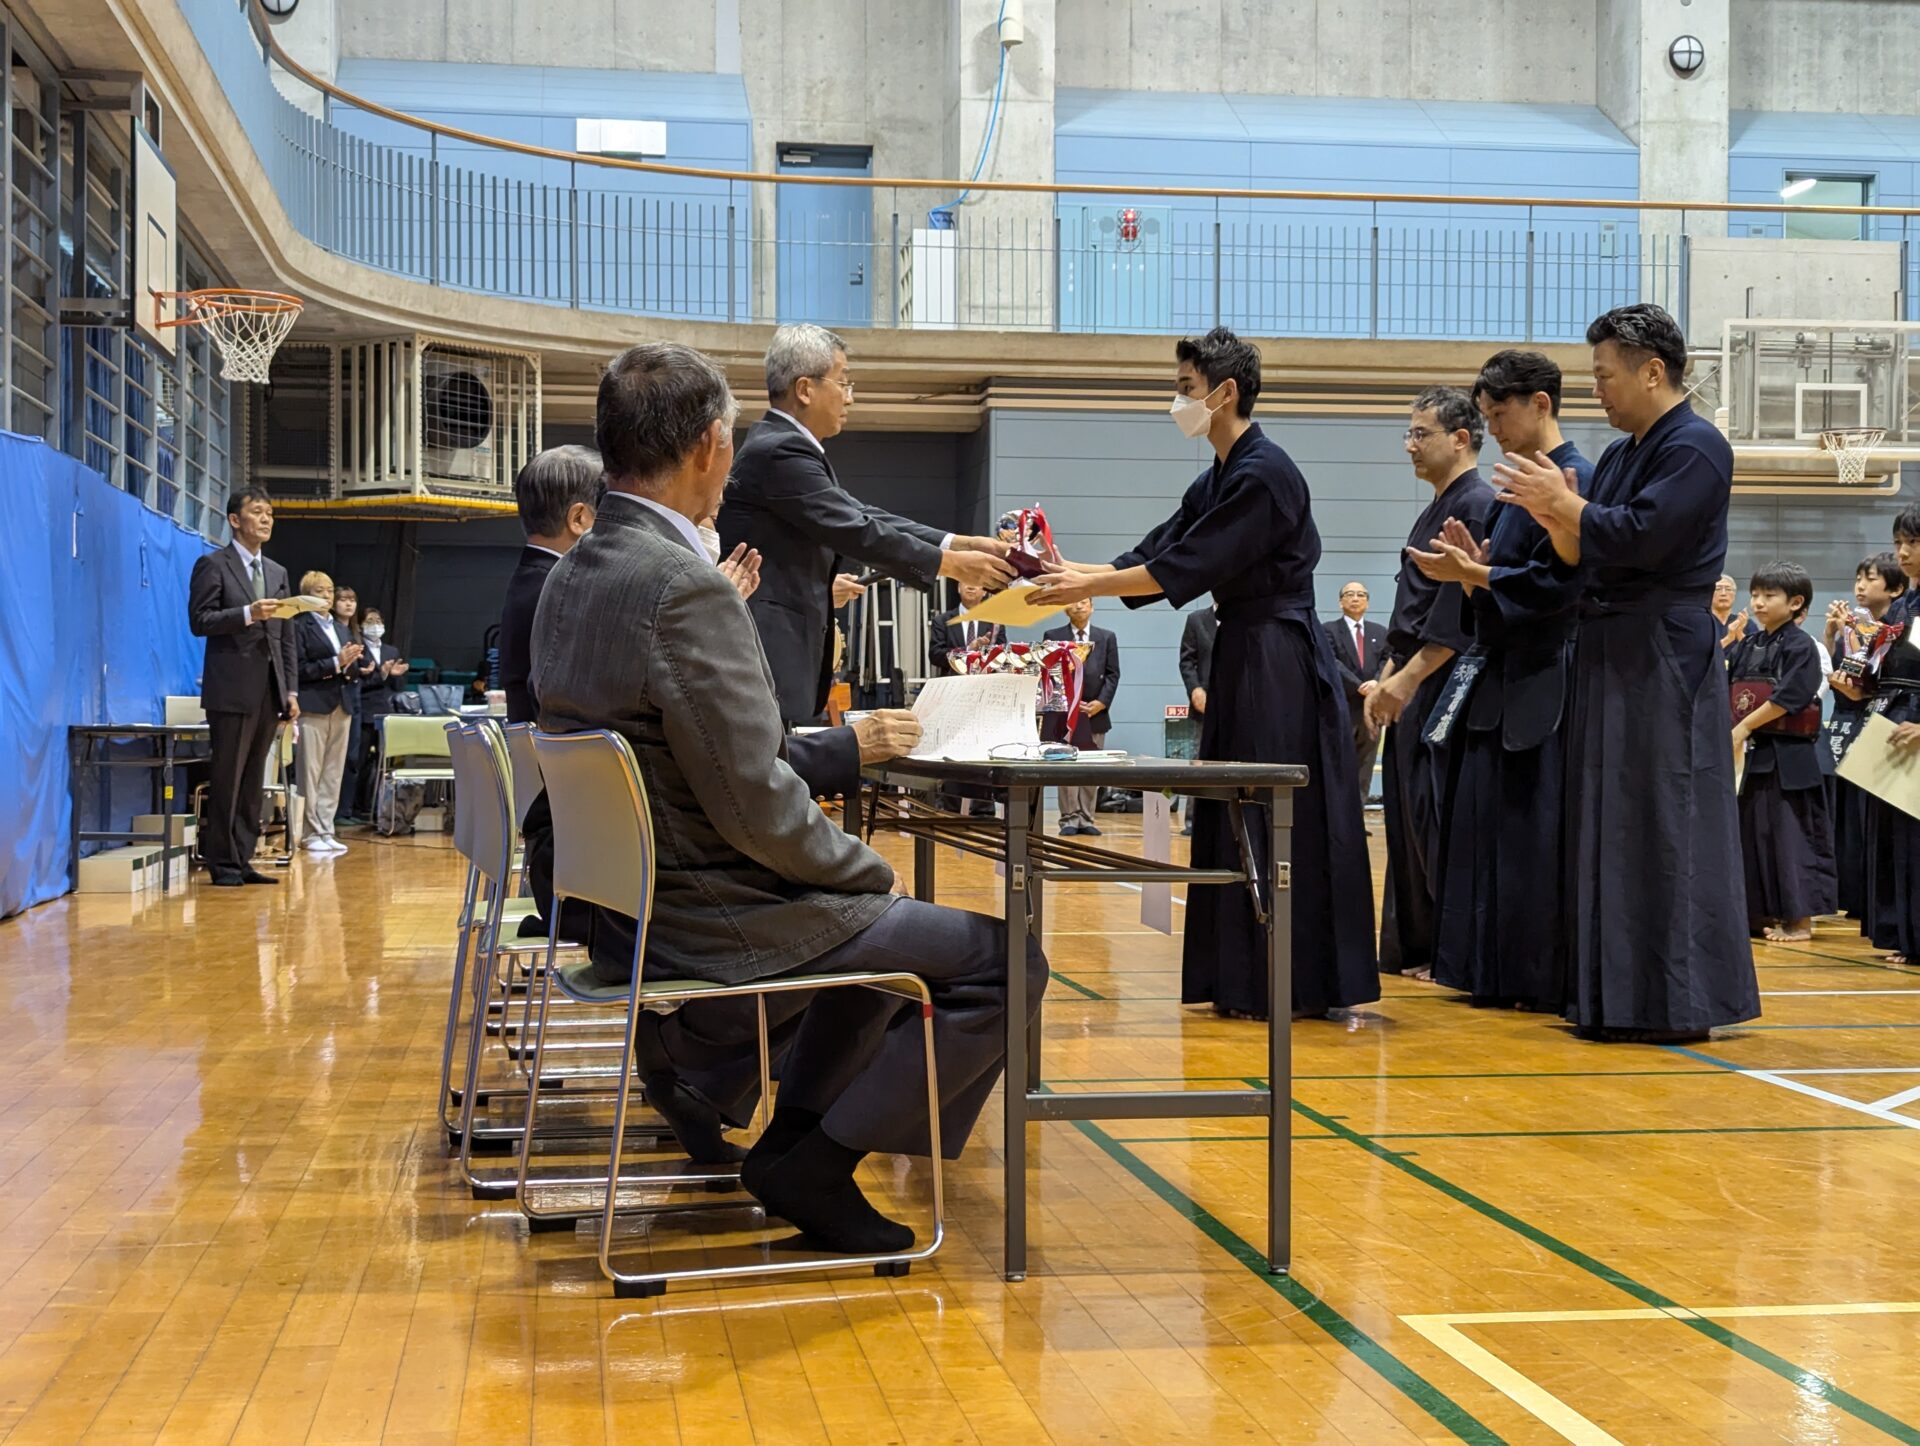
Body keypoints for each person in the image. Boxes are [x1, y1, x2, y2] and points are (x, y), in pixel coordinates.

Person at [532, 341, 1046, 1252]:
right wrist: (868, 868)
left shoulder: (569, 575)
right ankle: (811, 1155)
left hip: (625, 906)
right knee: (1005, 960)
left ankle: (783, 1134)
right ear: (710, 449)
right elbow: (757, 802)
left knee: (874, 930)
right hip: (715, 912)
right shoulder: (685, 587)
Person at [1029, 327, 1378, 1021]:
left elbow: (1178, 569)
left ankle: (1291, 979)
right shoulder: (1216, 476)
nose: (1177, 401)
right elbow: (1158, 547)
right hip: (1243, 651)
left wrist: (1081, 579)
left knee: (1271, 808)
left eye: (1186, 388)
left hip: (1278, 655)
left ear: (1225, 392)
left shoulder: (1265, 472)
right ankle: (1239, 975)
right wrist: (1075, 574)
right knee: (1231, 805)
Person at [1493, 302, 1759, 1042]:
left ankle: (1673, 999)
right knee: (1610, 822)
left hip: (1664, 651)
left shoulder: (1698, 446)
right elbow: (1585, 554)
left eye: (1606, 376)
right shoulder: (1620, 455)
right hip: (1612, 647)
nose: (1598, 391)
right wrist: (1554, 517)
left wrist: (1568, 506)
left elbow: (1643, 538)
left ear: (1652, 370)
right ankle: (1616, 995)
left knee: (1664, 820)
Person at [1409, 350, 1593, 1011]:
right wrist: (1476, 572)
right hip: (1499, 676)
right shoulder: (1518, 487)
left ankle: (1533, 976)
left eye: (1500, 415)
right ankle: (1490, 969)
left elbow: (1562, 589)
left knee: (1531, 833)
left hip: (1545, 679)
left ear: (1539, 405)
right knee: (1486, 828)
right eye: (1485, 416)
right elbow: (1507, 583)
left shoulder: (1572, 479)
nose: (1496, 429)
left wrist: (1479, 575)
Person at [719, 323, 1015, 722]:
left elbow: (861, 513)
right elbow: (854, 528)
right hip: (770, 647)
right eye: (843, 383)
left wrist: (958, 543)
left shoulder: (785, 447)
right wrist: (952, 565)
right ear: (805, 389)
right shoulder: (779, 450)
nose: (850, 397)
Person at [1364, 387, 1496, 980]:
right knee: (1409, 818)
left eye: (1422, 433)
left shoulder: (1475, 502)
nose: (1409, 444)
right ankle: (1416, 946)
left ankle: (1448, 951)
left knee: (1437, 816)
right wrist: (1387, 677)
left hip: (1444, 683)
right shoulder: (1439, 502)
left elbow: (1456, 614)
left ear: (1461, 439)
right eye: (1409, 432)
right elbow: (1412, 612)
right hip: (1411, 680)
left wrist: (1412, 677)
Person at [188, 487, 300, 887]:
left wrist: (291, 690)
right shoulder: (213, 564)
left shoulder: (277, 572)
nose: (266, 519)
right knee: (228, 777)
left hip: (269, 690)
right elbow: (200, 620)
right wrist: (246, 614)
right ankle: (222, 863)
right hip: (231, 688)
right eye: (257, 512)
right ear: (236, 520)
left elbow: (285, 636)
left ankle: (244, 857)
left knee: (254, 781)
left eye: (270, 513)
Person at [1729, 562, 1838, 942]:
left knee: (1789, 836)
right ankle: (1757, 914)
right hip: (1752, 756)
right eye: (1755, 594)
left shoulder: (1801, 645)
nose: (1757, 602)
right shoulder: (1747, 644)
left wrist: (1743, 726)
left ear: (1795, 603)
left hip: (1789, 755)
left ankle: (1799, 921)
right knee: (1751, 834)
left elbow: (1789, 696)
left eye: (1768, 595)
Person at [1835, 510, 1920, 963]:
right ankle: (1902, 935)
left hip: (1916, 724)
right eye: (1899, 542)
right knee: (1890, 839)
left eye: (1914, 542)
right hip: (1888, 721)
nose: (1904, 552)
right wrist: (1856, 687)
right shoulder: (1901, 610)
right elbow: (1878, 674)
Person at [1822, 552, 1906, 918]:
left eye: (1870, 578)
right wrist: (1834, 634)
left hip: (1891, 723)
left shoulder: (1900, 628)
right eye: (1859, 577)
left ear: (1896, 588)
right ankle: (1857, 899)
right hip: (1852, 723)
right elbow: (1844, 679)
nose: (1860, 584)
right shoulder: (1860, 631)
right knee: (1852, 817)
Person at [501, 445, 605, 727]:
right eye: (609, 514)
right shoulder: (564, 590)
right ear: (579, 519)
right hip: (565, 761)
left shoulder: (532, 579)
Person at [292, 572, 364, 855]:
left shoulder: (341, 628)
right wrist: (335, 662)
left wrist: (350, 662)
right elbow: (299, 669)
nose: (327, 596)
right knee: (310, 770)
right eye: (320, 591)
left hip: (341, 703)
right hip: (314, 704)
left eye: (330, 591)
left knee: (333, 772)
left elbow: (350, 666)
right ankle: (309, 832)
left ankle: (326, 828)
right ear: (307, 595)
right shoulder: (299, 626)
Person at [1042, 598, 1121, 836]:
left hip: (1094, 712)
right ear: (1065, 607)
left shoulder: (1106, 637)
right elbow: (1048, 672)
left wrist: (1101, 703)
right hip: (1064, 713)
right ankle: (1068, 818)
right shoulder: (1052, 635)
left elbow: (1113, 674)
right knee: (1066, 766)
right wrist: (1065, 702)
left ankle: (1087, 817)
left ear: (1092, 607)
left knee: (1090, 765)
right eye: (1073, 602)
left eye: (1084, 602)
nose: (1078, 606)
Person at [1324, 582, 1387, 804]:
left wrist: (1376, 683)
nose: (1355, 598)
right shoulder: (1328, 630)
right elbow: (1331, 662)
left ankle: (1358, 820)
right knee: (1339, 763)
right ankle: (1341, 820)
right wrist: (1359, 685)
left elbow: (1387, 661)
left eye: (1361, 594)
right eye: (1349, 594)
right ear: (1341, 602)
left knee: (1365, 765)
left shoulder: (1380, 632)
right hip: (1343, 707)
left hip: (1371, 709)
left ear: (1367, 602)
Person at [351, 607, 409, 819]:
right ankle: (356, 807)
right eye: (370, 621)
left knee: (382, 762)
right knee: (360, 760)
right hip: (364, 709)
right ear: (360, 625)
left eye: (378, 620)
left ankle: (377, 807)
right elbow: (359, 683)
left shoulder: (391, 651)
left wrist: (394, 675)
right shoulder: (357, 649)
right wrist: (381, 674)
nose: (375, 625)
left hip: (386, 712)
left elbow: (397, 685)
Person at [331, 585, 378, 827]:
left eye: (352, 600)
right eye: (343, 600)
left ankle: (346, 808)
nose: (349, 604)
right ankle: (336, 812)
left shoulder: (354, 632)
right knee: (339, 758)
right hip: (338, 699)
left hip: (355, 697)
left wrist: (365, 671)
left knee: (353, 758)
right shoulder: (332, 629)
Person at [1177, 604, 1218, 836]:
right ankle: (1193, 819)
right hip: (1203, 701)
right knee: (1199, 759)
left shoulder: (1243, 617)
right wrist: (1195, 689)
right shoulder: (1196, 619)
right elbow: (1187, 660)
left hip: (1236, 702)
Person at [929, 583, 1004, 673]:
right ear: (958, 588)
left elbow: (1001, 656)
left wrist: (984, 651)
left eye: (976, 582)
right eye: (966, 581)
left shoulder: (995, 623)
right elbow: (935, 655)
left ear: (984, 591)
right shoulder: (942, 621)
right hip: (954, 683)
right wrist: (968, 649)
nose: (971, 586)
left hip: (984, 683)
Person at [1713, 573, 1751, 649]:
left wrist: (1739, 633)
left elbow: (1754, 654)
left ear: (1734, 594)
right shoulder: (1702, 622)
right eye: (1718, 589)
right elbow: (1700, 654)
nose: (1723, 593)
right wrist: (1728, 639)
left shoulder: (1746, 623)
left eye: (1728, 589)